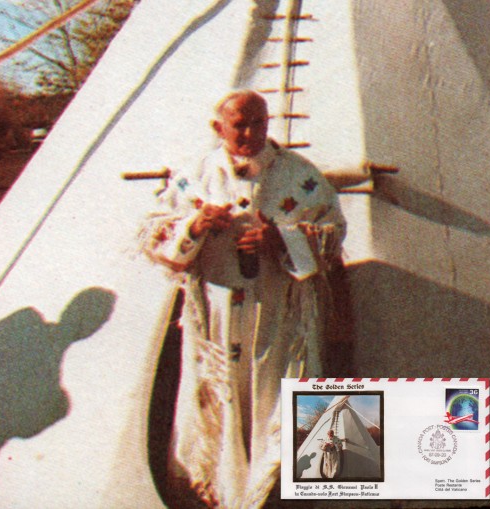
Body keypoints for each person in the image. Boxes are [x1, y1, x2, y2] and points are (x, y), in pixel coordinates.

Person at [141, 90, 346, 508]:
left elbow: (333, 234)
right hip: (216, 323)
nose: (251, 133)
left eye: (259, 123)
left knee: (283, 405)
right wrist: (195, 226)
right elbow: (156, 237)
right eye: (240, 125)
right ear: (218, 128)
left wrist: (282, 239)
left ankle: (285, 498)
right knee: (218, 406)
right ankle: (222, 496)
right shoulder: (194, 176)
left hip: (280, 320)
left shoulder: (300, 175)